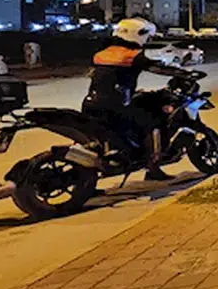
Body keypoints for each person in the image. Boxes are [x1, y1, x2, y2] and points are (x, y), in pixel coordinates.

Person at [82, 18, 192, 181]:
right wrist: (184, 73)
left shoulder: (101, 53)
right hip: (116, 105)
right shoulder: (132, 55)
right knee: (154, 122)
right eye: (147, 36)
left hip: (91, 103)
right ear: (137, 34)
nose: (147, 40)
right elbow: (159, 68)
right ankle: (153, 166)